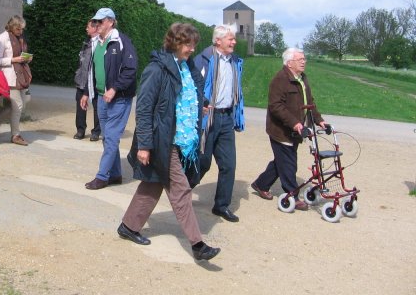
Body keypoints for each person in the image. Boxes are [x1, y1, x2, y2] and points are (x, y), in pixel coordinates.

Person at [119, 23, 220, 263]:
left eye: (194, 44)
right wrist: (144, 145)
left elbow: (189, 93)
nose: (192, 49)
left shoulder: (187, 66)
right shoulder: (157, 69)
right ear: (174, 42)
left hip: (180, 139)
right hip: (160, 140)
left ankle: (128, 226)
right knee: (180, 189)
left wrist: (201, 104)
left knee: (154, 183)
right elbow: (143, 109)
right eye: (187, 44)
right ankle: (198, 245)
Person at [251, 48, 329, 210]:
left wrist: (319, 120)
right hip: (281, 131)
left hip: (296, 131)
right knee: (289, 163)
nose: (303, 61)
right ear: (289, 63)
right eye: (300, 59)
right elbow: (276, 106)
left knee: (282, 161)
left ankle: (261, 184)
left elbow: (309, 102)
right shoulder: (280, 80)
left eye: (304, 59)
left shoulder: (302, 78)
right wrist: (295, 123)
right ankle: (291, 194)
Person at [193, 24, 244, 222]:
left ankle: (221, 206)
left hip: (226, 118)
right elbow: (193, 86)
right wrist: (201, 107)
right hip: (208, 117)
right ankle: (181, 192)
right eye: (230, 39)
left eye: (233, 39)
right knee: (203, 162)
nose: (234, 42)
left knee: (229, 165)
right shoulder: (203, 60)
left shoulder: (235, 61)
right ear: (218, 41)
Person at [81, 8, 137, 190]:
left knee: (111, 138)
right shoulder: (96, 42)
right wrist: (86, 92)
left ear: (110, 22)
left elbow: (131, 70)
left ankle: (102, 176)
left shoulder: (122, 42)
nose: (96, 25)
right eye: (95, 22)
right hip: (100, 97)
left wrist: (114, 88)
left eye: (100, 21)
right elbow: (90, 70)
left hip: (119, 99)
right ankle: (115, 174)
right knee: (108, 138)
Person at [0, 15, 32, 146]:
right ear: (12, 26)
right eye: (18, 29)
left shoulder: (20, 38)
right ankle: (15, 135)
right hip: (9, 77)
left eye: (22, 29)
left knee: (22, 104)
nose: (21, 32)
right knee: (18, 105)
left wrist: (27, 58)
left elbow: (21, 54)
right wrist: (13, 60)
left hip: (21, 75)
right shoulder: (1, 39)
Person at [73, 19, 101, 141]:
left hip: (95, 81)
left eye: (88, 27)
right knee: (80, 105)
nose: (86, 29)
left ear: (95, 28)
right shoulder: (86, 42)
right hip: (82, 79)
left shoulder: (101, 43)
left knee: (97, 106)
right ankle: (80, 130)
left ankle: (96, 132)